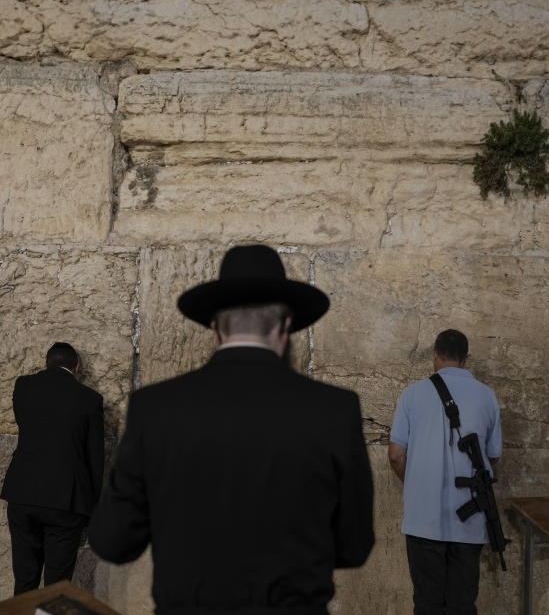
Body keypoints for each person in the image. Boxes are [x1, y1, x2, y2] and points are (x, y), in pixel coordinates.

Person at [88, 244, 375, 613]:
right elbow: (354, 547)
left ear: (213, 326)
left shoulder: (156, 408)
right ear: (286, 325)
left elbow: (113, 541)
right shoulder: (334, 410)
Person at [388, 329, 502, 615]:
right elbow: (493, 457)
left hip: (423, 519)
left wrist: (411, 481)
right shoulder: (487, 397)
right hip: (469, 519)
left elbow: (395, 454)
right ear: (467, 358)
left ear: (434, 354)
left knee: (427, 603)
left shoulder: (411, 395)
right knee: (462, 604)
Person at [0, 342, 105, 594]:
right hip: (65, 501)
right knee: (56, 587)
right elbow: (95, 457)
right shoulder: (90, 399)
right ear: (76, 367)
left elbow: (27, 424)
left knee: (24, 579)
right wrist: (92, 509)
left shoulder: (23, 387)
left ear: (46, 363)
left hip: (23, 494)